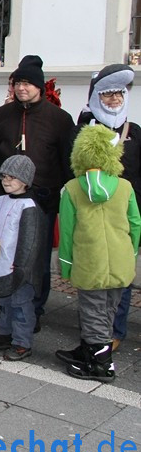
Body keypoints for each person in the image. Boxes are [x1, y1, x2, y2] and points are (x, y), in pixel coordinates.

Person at [0, 55, 74, 329]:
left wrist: (47, 189)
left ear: (40, 86)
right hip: (5, 197)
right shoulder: (2, 115)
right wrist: (11, 183)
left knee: (35, 258)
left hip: (40, 200)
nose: (22, 88)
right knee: (1, 252)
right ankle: (3, 306)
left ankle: (32, 309)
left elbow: (65, 160)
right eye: (17, 82)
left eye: (28, 83)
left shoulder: (59, 119)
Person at [56, 125, 141, 382]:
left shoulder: (71, 188)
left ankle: (102, 365)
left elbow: (67, 233)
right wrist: (132, 252)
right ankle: (88, 352)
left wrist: (66, 266)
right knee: (108, 311)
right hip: (121, 263)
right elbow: (135, 224)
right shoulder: (125, 186)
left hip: (90, 263)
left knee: (92, 314)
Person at [69, 64, 140, 352]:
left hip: (123, 214)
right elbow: (71, 169)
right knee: (93, 277)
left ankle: (114, 330)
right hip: (91, 214)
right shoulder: (83, 130)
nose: (114, 99)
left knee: (121, 275)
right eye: (108, 94)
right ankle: (93, 332)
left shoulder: (135, 131)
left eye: (119, 95)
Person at [0, 155, 45, 361]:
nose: (6, 180)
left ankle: (22, 342)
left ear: (25, 180)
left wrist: (21, 269)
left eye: (12, 177)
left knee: (20, 307)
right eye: (4, 176)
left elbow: (29, 243)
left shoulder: (29, 208)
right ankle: (4, 334)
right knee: (4, 303)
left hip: (19, 269)